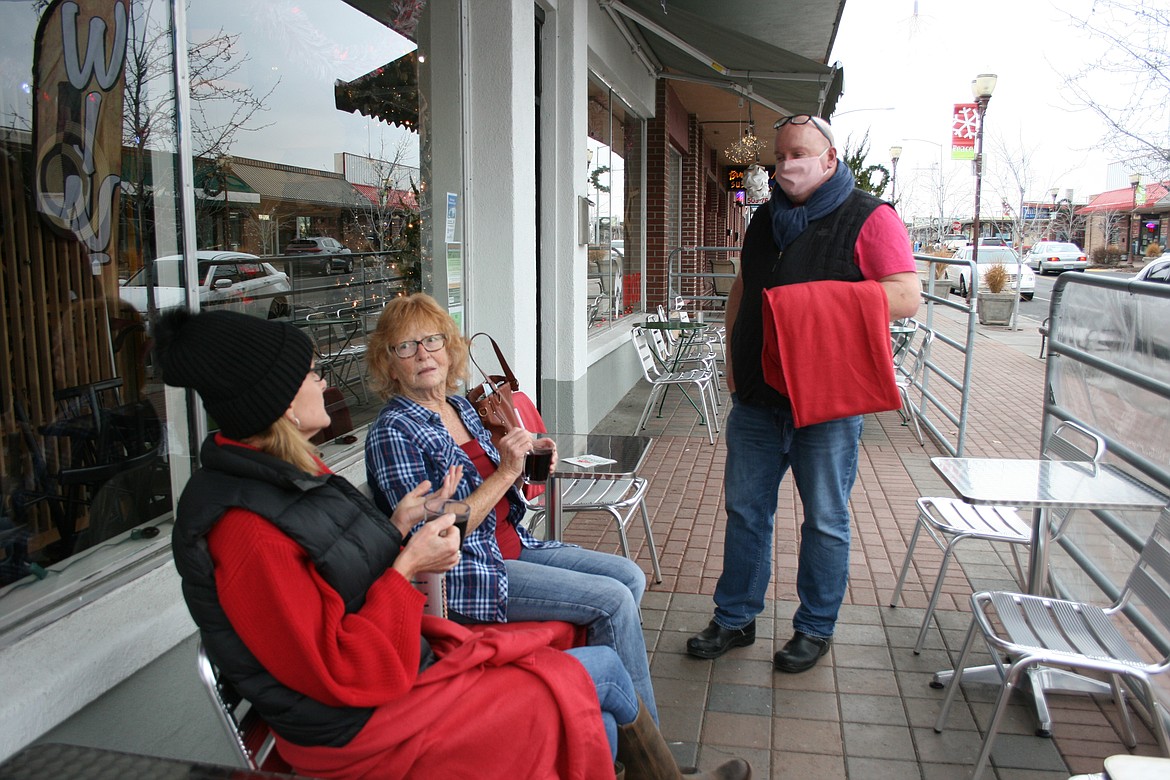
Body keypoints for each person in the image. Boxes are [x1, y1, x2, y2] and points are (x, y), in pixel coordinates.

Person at [159, 308, 749, 780]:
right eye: (312, 373)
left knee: (606, 646)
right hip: (365, 723)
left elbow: (337, 572)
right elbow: (341, 667)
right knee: (599, 671)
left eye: (433, 341)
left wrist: (398, 527)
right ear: (282, 401)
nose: (322, 382)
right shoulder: (245, 526)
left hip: (403, 663)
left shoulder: (289, 473)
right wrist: (409, 557)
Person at [686, 114, 921, 673]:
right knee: (745, 512)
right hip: (758, 398)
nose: (786, 165)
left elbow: (907, 295)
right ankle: (735, 616)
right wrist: (731, 360)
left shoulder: (871, 217)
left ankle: (815, 628)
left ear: (830, 158)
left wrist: (814, 301)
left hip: (829, 402)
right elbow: (744, 288)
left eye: (799, 154)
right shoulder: (764, 219)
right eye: (780, 156)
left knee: (826, 519)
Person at [364, 294, 661, 722]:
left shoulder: (460, 406)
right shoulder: (394, 431)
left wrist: (525, 464)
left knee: (630, 576)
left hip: (514, 544)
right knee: (613, 601)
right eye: (406, 346)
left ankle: (589, 710)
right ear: (389, 364)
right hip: (470, 571)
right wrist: (504, 472)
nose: (424, 354)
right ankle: (646, 751)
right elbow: (432, 537)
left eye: (432, 340)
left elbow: (494, 487)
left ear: (450, 349)